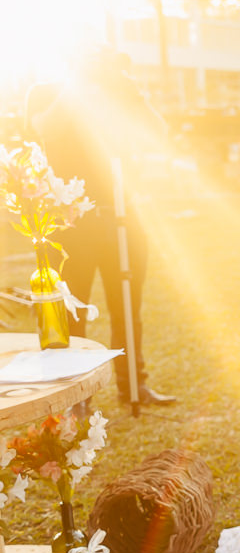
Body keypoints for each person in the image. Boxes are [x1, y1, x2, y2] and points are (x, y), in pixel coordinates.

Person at [25, 48, 176, 405]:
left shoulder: (119, 94)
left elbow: (157, 132)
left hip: (123, 213)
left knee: (127, 304)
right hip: (70, 219)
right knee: (71, 307)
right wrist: (77, 85)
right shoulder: (45, 91)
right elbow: (46, 127)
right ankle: (74, 392)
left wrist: (130, 90)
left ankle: (133, 385)